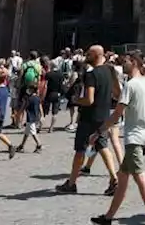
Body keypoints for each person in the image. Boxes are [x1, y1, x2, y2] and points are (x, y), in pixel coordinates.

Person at [90, 52, 145, 225]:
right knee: (122, 178)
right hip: (143, 135)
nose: (124, 64)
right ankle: (108, 218)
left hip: (134, 138)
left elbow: (117, 115)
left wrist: (99, 131)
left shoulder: (131, 85)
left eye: (127, 61)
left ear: (135, 62)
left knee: (140, 177)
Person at [57, 45, 119, 195]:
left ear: (96, 55)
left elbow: (89, 100)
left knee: (80, 150)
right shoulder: (110, 71)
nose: (86, 56)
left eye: (89, 54)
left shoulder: (91, 75)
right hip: (104, 115)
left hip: (89, 117)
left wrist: (76, 99)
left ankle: (71, 183)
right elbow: (118, 93)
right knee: (102, 146)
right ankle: (114, 178)